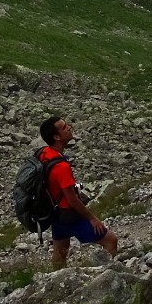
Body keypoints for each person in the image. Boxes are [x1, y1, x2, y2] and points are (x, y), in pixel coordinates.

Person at [38, 115, 118, 269]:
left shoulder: (43, 154)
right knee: (110, 240)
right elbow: (72, 200)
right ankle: (107, 276)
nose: (69, 128)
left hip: (54, 212)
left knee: (60, 251)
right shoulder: (61, 167)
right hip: (69, 214)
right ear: (57, 137)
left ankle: (56, 280)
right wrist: (93, 218)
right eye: (64, 127)